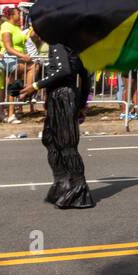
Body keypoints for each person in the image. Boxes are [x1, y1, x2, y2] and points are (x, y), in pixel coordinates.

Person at [22, 43, 94, 209]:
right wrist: (82, 104)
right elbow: (85, 76)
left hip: (63, 97)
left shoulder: (58, 43)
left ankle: (78, 188)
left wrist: (35, 85)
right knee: (50, 140)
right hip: (61, 97)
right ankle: (63, 183)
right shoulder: (71, 45)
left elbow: (64, 71)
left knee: (66, 144)